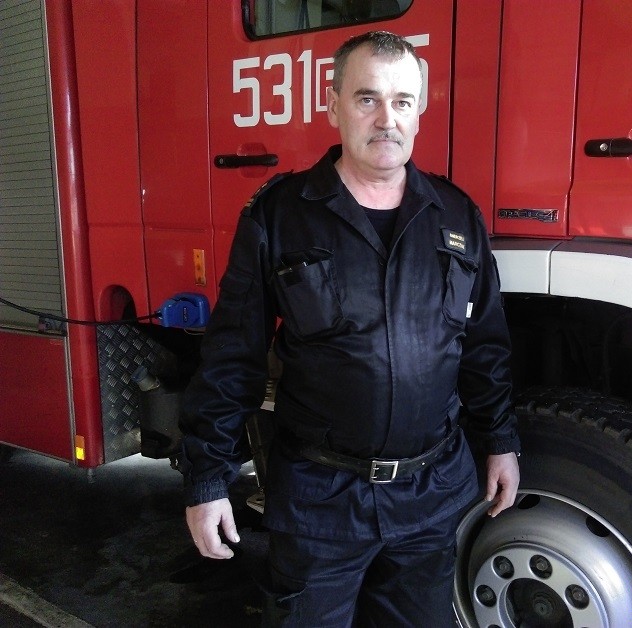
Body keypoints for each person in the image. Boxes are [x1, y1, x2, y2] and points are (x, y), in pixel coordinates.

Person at [179, 31, 520, 627]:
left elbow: (484, 345)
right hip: (320, 505)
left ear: (420, 111)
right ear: (333, 105)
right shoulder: (279, 215)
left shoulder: (456, 215)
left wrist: (500, 440)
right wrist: (207, 479)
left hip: (430, 499)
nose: (387, 119)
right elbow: (233, 355)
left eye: (402, 101)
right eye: (367, 99)